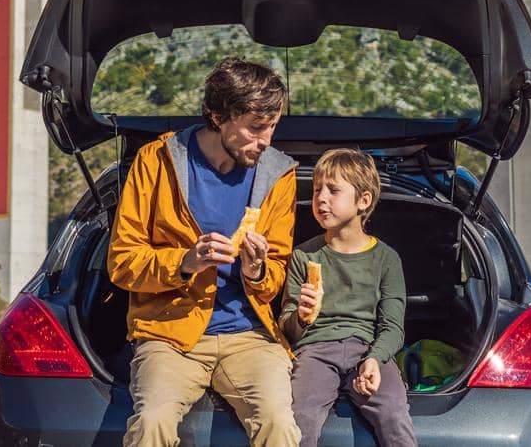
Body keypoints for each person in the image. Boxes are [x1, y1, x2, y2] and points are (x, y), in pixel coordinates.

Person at [108, 58, 302, 447]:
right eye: (255, 128)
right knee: (151, 421)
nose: (265, 141)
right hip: (170, 334)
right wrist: (184, 262)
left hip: (250, 335)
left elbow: (279, 271)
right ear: (218, 116)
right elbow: (122, 262)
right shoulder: (155, 161)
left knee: (279, 424)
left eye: (272, 127)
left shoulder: (279, 174)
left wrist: (257, 272)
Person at [280, 148, 416, 447]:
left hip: (368, 348)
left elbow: (393, 328)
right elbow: (286, 328)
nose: (321, 199)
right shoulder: (304, 255)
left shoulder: (386, 259)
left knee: (394, 416)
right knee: (299, 418)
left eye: (333, 190)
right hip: (314, 351)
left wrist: (374, 360)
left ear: (363, 201)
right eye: (317, 190)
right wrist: (301, 317)